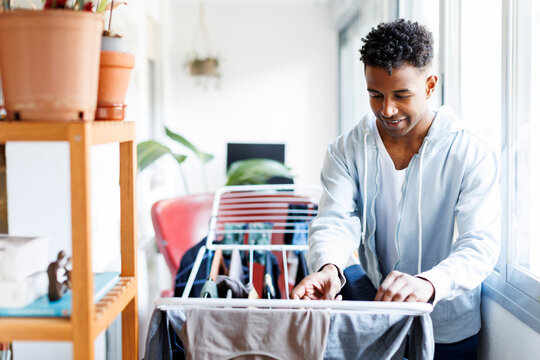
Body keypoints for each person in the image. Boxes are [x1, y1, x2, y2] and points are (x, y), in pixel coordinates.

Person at [291, 19, 500, 359]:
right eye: (376, 95)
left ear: (430, 85)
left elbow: (480, 244)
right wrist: (329, 266)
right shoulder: (345, 150)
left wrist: (430, 283)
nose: (387, 110)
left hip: (447, 325)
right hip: (378, 313)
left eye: (402, 95)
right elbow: (334, 220)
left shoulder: (471, 152)